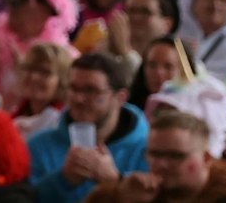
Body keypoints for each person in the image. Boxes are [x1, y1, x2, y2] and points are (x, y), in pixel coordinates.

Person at [26, 54, 149, 203]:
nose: (78, 98)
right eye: (73, 88)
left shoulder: (148, 150)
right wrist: (63, 180)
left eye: (91, 90)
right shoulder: (39, 146)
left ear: (120, 98)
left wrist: (115, 183)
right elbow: (21, 198)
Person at [79, 108, 226, 203]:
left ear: (206, 158)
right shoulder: (139, 193)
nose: (161, 164)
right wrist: (120, 198)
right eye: (154, 154)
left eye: (175, 156)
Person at [11, 42, 73, 140]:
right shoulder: (18, 112)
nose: (34, 77)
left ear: (62, 81)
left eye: (45, 72)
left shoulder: (61, 123)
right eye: (29, 68)